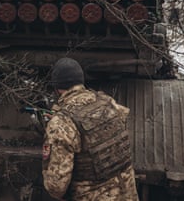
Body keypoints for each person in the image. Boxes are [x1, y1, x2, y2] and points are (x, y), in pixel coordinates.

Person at [42, 57, 139, 201]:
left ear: (57, 89)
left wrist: (57, 127)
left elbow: (56, 187)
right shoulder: (108, 102)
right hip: (127, 194)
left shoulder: (61, 124)